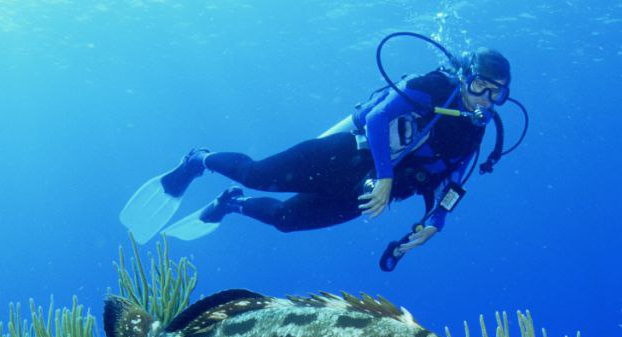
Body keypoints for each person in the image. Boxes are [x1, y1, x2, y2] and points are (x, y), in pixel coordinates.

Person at [121, 48, 513, 269]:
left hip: (369, 194)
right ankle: (198, 160)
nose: (485, 100)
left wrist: (435, 223)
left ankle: (231, 204)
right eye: (481, 86)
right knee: (256, 173)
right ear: (465, 77)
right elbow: (378, 119)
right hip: (347, 155)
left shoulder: (477, 129)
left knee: (286, 222)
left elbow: (455, 181)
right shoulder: (432, 87)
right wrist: (387, 175)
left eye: (497, 94)